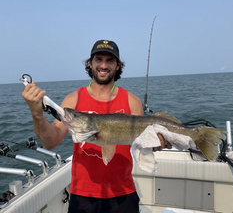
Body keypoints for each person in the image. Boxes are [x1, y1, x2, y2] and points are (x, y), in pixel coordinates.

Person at [22, 39, 170, 213]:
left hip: (123, 194)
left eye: (110, 60)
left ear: (117, 66)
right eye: (98, 59)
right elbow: (51, 141)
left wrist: (157, 144)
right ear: (90, 64)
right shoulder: (73, 100)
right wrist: (36, 114)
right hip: (83, 196)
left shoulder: (132, 102)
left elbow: (140, 144)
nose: (103, 65)